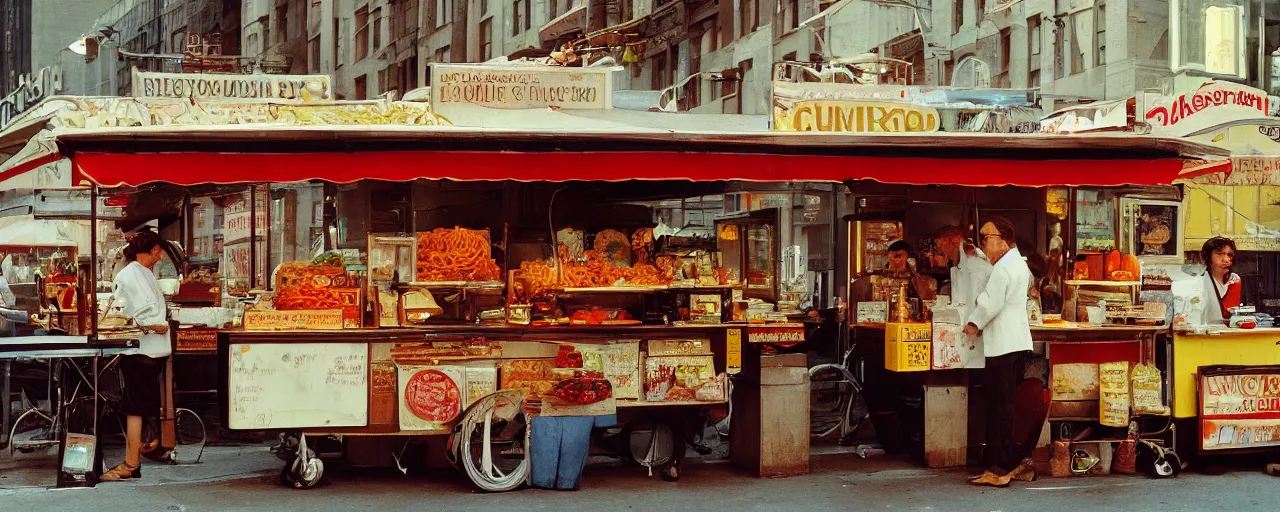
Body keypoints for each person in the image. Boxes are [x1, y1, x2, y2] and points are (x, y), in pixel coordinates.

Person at [963, 218, 1035, 487]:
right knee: (1006, 409)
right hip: (1013, 343)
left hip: (1004, 346)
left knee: (998, 410)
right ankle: (1013, 463)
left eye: (986, 238)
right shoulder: (1016, 264)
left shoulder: (1003, 270)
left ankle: (999, 469)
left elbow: (990, 303)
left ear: (1002, 239)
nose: (983, 243)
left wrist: (973, 324)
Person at [101, 230, 172, 481]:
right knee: (136, 406)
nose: (160, 255)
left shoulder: (144, 273)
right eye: (157, 250)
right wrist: (154, 324)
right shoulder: (128, 275)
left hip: (151, 349)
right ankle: (133, 462)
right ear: (145, 250)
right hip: (141, 348)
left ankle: (136, 458)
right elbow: (124, 314)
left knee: (140, 405)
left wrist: (157, 322)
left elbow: (146, 311)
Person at [1200, 236, 1241, 326]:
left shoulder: (1235, 280)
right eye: (1219, 254)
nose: (1226, 260)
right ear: (1207, 257)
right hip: (1206, 334)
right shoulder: (1201, 281)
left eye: (1229, 255)